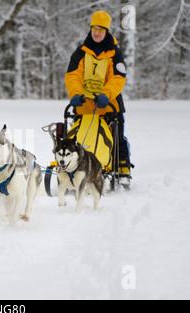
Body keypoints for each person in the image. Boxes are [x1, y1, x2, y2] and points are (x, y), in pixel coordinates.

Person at [65, 10, 132, 187]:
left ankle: (122, 166)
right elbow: (73, 76)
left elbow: (118, 78)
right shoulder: (80, 52)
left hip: (109, 104)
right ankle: (74, 164)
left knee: (117, 136)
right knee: (77, 136)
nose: (97, 32)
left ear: (107, 31)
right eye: (95, 28)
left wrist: (106, 95)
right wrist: (75, 95)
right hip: (84, 105)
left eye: (101, 29)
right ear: (90, 28)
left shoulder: (114, 54)